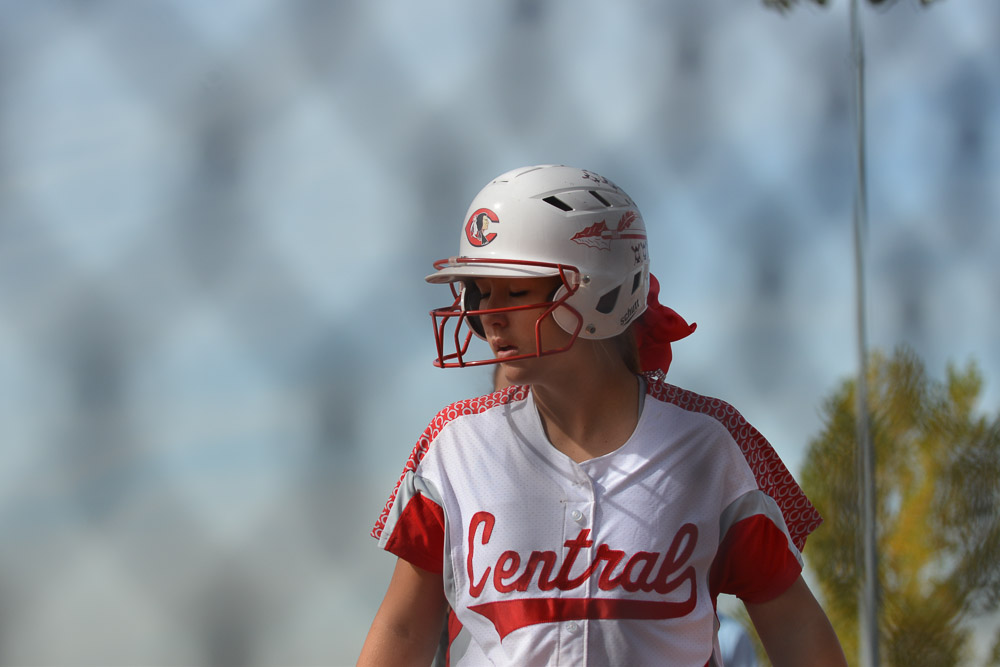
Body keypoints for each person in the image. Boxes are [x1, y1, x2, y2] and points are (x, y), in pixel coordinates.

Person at [358, 165, 846, 666]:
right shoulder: (456, 444)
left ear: (599, 289)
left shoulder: (709, 442)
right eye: (480, 291)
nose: (489, 313)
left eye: (516, 291)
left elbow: (792, 621)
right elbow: (404, 627)